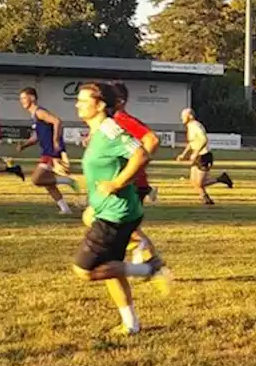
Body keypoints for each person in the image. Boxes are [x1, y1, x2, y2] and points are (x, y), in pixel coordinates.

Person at [72, 81, 170, 336]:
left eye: (84, 101)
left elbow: (141, 154)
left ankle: (149, 268)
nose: (78, 105)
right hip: (111, 210)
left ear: (101, 104)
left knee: (84, 271)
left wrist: (117, 183)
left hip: (116, 214)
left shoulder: (110, 130)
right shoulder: (98, 131)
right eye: (78, 100)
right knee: (111, 267)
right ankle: (131, 324)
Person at [108, 82, 163, 264]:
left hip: (132, 183)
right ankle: (147, 259)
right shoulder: (111, 122)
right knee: (120, 226)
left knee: (119, 226)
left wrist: (137, 167)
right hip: (129, 182)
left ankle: (149, 257)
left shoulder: (121, 118)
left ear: (119, 102)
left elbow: (152, 140)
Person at [15, 87, 78, 215]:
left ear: (32, 98)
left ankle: (68, 181)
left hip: (51, 151)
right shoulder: (34, 116)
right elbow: (36, 137)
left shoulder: (39, 112)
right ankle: (65, 209)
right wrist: (24, 145)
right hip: (46, 151)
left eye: (24, 98)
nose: (21, 101)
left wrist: (55, 140)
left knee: (37, 179)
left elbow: (57, 121)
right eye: (20, 99)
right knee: (47, 183)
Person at [175, 108, 232, 205]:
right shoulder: (190, 126)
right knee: (193, 182)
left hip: (204, 156)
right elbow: (191, 142)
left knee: (199, 183)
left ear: (190, 116)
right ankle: (207, 199)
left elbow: (204, 139)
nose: (181, 118)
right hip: (198, 156)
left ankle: (220, 181)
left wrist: (196, 153)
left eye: (183, 116)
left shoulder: (196, 126)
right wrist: (183, 154)